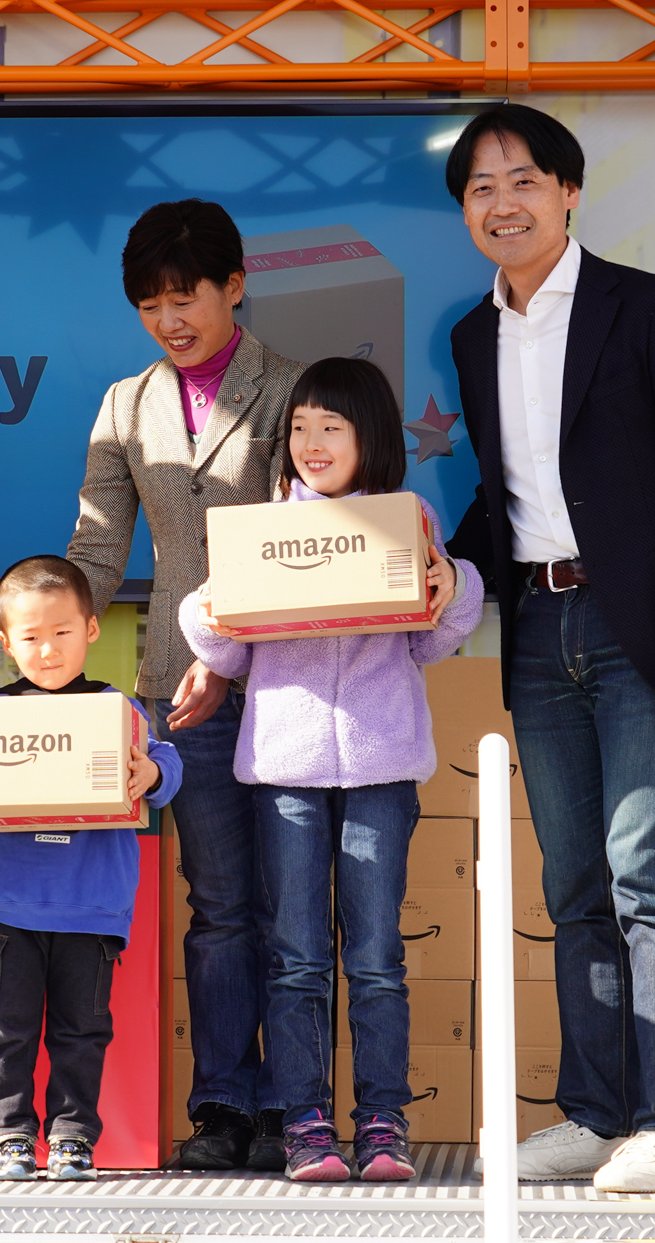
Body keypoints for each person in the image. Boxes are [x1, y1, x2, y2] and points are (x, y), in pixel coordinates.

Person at [444, 105, 655, 1193]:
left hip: (649, 631)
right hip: (536, 629)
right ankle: (594, 1112)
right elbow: (504, 498)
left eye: (523, 180)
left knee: (647, 875)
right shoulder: (471, 336)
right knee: (573, 882)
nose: (503, 203)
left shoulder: (652, 308)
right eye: (480, 188)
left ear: (569, 192)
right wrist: (435, 567)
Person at [180, 359, 483, 1181]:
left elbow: (431, 638)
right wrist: (206, 612)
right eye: (300, 427)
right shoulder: (264, 529)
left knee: (377, 956)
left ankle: (383, 1121)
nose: (312, 443)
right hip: (286, 774)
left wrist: (453, 583)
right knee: (296, 956)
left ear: (369, 436)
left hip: (382, 770)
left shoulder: (408, 520)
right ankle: (305, 1122)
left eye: (331, 427)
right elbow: (227, 651)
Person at [67, 199, 304, 1171]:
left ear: (233, 286)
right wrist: (44, 631)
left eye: (185, 296)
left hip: (288, 682)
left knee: (292, 902)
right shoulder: (124, 405)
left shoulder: (291, 388)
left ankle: (294, 1105)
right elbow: (96, 548)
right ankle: (223, 1105)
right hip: (177, 687)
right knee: (217, 905)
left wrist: (236, 640)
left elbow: (304, 539)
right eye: (150, 304)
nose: (169, 319)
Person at [0, 556, 182, 1181]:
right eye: (30, 637)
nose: (48, 650)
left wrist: (153, 771)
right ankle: (10, 1137)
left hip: (91, 909)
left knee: (82, 1032)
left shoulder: (118, 710)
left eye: (62, 632)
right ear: (6, 643)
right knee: (7, 1031)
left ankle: (73, 1137)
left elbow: (167, 764)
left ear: (91, 629)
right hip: (7, 908)